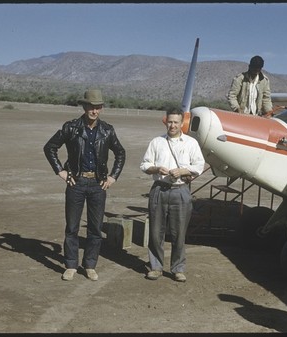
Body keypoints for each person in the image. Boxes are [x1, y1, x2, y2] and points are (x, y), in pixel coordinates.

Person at [44, 89, 126, 281]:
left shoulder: (107, 130)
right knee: (72, 227)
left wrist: (113, 177)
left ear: (102, 108)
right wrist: (61, 172)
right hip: (76, 183)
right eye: (91, 106)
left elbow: (120, 153)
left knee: (95, 228)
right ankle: (71, 265)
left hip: (98, 184)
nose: (94, 111)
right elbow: (50, 147)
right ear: (84, 106)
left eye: (98, 107)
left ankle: (90, 265)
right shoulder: (71, 128)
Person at [140, 108, 205, 282]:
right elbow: (145, 164)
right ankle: (156, 267)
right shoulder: (157, 142)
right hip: (159, 189)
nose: (173, 125)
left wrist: (182, 170)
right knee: (155, 231)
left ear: (182, 123)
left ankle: (178, 268)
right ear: (165, 122)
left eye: (176, 122)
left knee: (179, 232)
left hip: (181, 190)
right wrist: (156, 168)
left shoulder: (191, 143)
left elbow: (199, 166)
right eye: (170, 122)